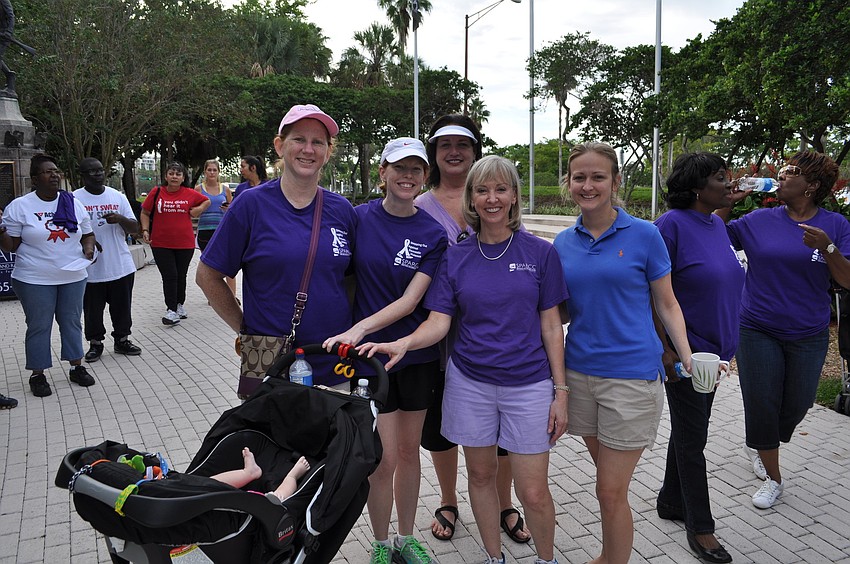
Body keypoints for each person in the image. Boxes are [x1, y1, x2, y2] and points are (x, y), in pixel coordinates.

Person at [361, 156, 568, 564]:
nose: (491, 198)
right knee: (480, 476)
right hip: (470, 384)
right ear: (471, 197)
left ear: (513, 196)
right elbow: (439, 323)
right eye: (481, 190)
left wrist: (560, 391)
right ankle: (494, 557)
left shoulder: (541, 254)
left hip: (528, 385)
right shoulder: (457, 256)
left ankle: (548, 559)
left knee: (534, 492)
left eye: (500, 189)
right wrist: (404, 343)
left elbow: (551, 328)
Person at [552, 142, 692, 564]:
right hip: (579, 375)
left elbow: (666, 303)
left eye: (598, 177)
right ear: (569, 184)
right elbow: (556, 311)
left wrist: (686, 355)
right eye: (580, 177)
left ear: (615, 182)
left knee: (610, 490)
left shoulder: (645, 235)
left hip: (631, 377)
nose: (588, 185)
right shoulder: (562, 242)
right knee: (606, 484)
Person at [323, 138, 446, 564]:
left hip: (414, 357)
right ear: (382, 173)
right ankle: (379, 542)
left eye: (416, 169)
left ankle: (406, 538)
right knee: (382, 458)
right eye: (399, 168)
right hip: (367, 362)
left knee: (410, 453)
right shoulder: (357, 219)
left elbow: (412, 303)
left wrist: (359, 327)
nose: (407, 176)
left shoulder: (433, 234)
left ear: (424, 176)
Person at [415, 114, 531, 545]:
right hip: (435, 338)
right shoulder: (419, 205)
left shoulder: (493, 199)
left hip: (492, 344)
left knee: (497, 432)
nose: (453, 151)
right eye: (443, 144)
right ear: (435, 153)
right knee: (441, 429)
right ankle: (448, 499)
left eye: (462, 143)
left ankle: (503, 503)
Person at [722, 150, 850, 510]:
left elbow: (846, 279)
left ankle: (760, 442)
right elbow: (713, 240)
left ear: (811, 186)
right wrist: (726, 205)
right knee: (762, 402)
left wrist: (827, 247)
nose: (780, 175)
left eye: (789, 172)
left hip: (808, 331)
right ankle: (773, 477)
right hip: (756, 327)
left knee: (798, 403)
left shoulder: (836, 225)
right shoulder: (759, 220)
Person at [196, 104, 357, 388]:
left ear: (328, 152)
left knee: (332, 432)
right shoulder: (251, 205)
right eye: (299, 139)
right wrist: (245, 329)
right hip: (271, 361)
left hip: (333, 359)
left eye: (318, 142)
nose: (308, 149)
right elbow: (207, 276)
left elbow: (352, 279)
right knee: (272, 433)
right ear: (280, 146)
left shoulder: (342, 210)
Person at [653, 153, 744, 563]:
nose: (728, 183)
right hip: (688, 354)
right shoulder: (670, 226)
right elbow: (650, 290)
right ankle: (701, 528)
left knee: (693, 428)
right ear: (695, 188)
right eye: (720, 178)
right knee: (695, 439)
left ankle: (671, 500)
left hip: (716, 353)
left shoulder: (716, 223)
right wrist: (667, 349)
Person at [0, 154, 97, 397]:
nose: (54, 175)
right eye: (47, 172)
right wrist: (0, 229)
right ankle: (38, 374)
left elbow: (88, 233)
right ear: (35, 179)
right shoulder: (20, 206)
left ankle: (76, 366)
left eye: (56, 170)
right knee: (39, 325)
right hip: (34, 278)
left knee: (71, 321)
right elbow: (10, 246)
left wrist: (88, 248)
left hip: (73, 275)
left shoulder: (72, 202)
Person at [74, 158, 142, 361]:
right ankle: (95, 343)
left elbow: (135, 229)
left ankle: (122, 339)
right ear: (83, 176)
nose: (98, 174)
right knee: (92, 310)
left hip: (119, 264)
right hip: (90, 268)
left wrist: (120, 219)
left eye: (100, 170)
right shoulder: (74, 199)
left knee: (122, 307)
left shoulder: (117, 197)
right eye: (92, 172)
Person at [139, 161, 210, 325]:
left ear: (183, 177)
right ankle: (171, 309)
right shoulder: (157, 192)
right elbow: (145, 212)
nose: (174, 176)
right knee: (170, 275)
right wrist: (145, 230)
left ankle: (179, 305)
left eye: (178, 174)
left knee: (181, 275)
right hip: (160, 243)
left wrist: (198, 210)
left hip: (184, 244)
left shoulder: (190, 193)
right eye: (171, 173)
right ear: (166, 176)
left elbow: (206, 201)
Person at [210, 447, 310, 504]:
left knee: (208, 484)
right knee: (277, 499)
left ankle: (249, 472)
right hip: (252, 507)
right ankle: (292, 476)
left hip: (207, 500)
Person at [195, 159, 236, 299]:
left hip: (222, 230)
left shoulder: (225, 189)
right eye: (209, 170)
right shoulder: (199, 189)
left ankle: (232, 296)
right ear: (205, 171)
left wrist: (227, 208)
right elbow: (193, 210)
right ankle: (212, 297)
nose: (212, 172)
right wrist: (202, 207)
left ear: (218, 172)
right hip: (205, 230)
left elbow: (232, 210)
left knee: (228, 263)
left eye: (214, 170)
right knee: (208, 266)